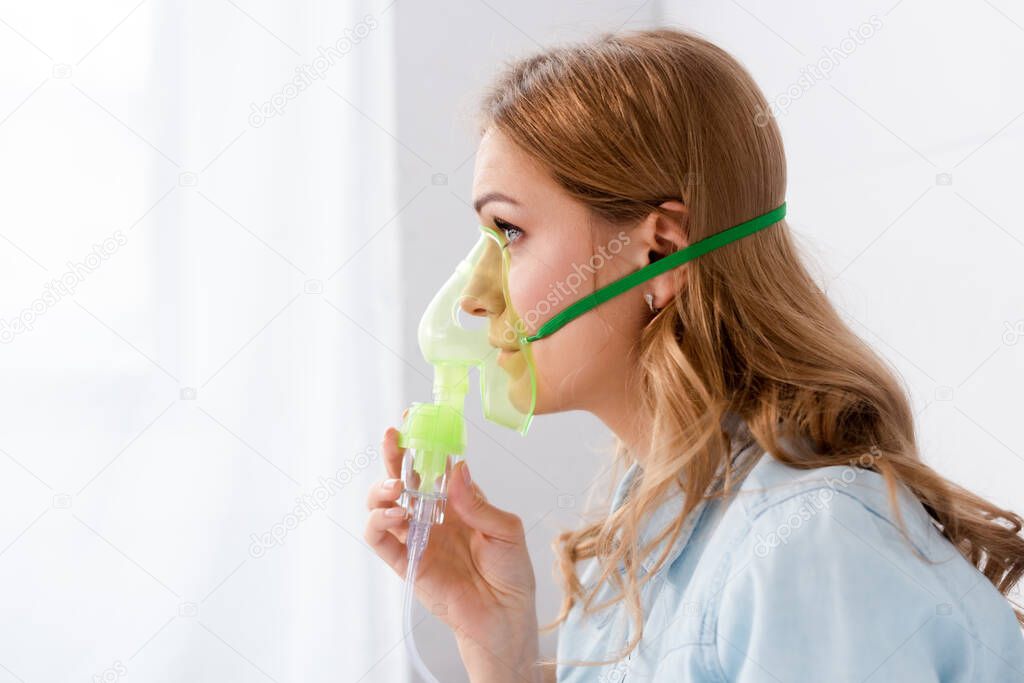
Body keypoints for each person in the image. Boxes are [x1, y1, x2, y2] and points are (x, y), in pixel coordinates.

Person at [365, 27, 1024, 682]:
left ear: (660, 252)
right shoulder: (641, 532)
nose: (474, 298)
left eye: (510, 231)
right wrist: (499, 650)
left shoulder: (806, 547)